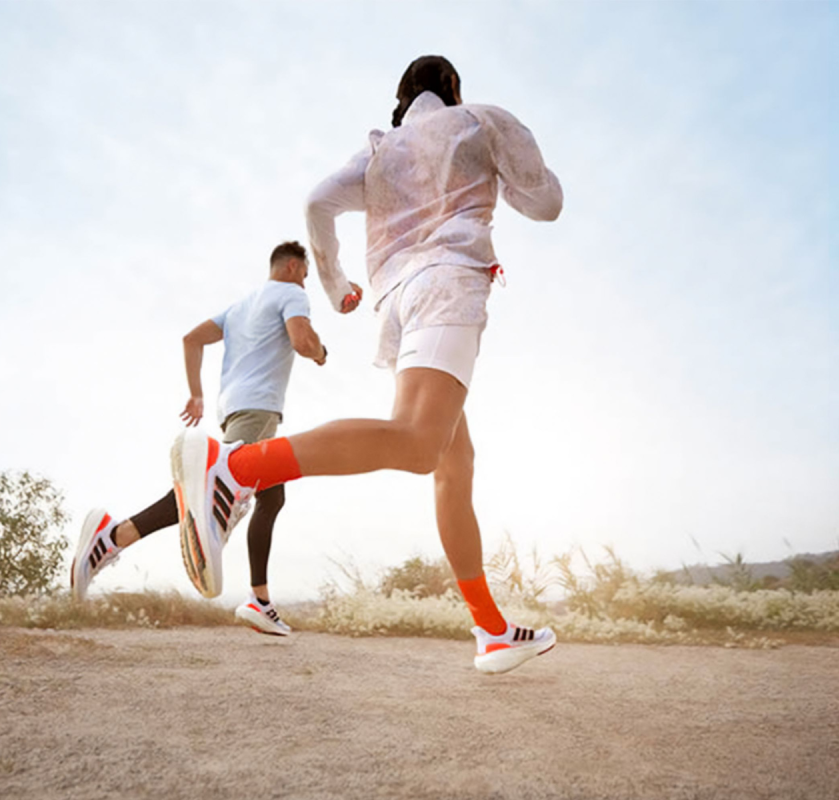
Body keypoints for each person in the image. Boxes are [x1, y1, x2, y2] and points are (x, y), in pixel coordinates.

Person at [170, 55, 564, 673]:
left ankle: (490, 629)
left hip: (395, 303)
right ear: (453, 89)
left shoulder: (379, 153)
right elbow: (546, 203)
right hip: (448, 284)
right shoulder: (480, 122)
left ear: (403, 98)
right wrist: (502, 174)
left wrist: (333, 285)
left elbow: (317, 202)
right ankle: (235, 467)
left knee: (454, 464)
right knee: (418, 446)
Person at [72, 241, 327, 636]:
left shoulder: (241, 306)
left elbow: (191, 339)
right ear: (293, 267)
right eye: (307, 276)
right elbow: (302, 341)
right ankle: (113, 535)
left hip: (234, 408)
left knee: (272, 494)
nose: (306, 286)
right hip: (258, 409)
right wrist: (321, 352)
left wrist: (197, 393)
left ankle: (260, 601)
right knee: (205, 491)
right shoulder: (291, 294)